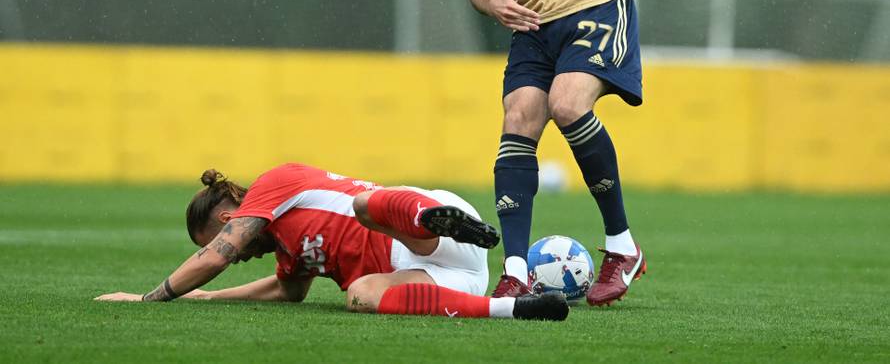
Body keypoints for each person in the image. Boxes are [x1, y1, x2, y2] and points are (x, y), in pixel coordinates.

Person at [412, 0, 666, 306]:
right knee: (519, 118)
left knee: (568, 105)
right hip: (532, 22)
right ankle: (515, 271)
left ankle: (622, 247)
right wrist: (495, 4)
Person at [95, 163, 569, 321]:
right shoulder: (284, 248)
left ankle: (432, 219)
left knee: (366, 208)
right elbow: (288, 290)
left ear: (227, 218)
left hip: (417, 232)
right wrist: (207, 297)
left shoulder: (273, 185)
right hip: (451, 277)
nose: (233, 257)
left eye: (217, 237)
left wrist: (151, 297)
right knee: (360, 294)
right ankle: (515, 309)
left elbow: (218, 255)